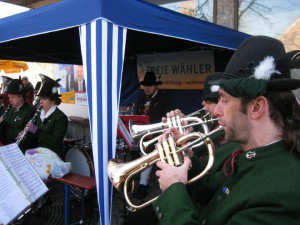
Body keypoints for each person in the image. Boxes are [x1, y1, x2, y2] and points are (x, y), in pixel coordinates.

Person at [153, 35, 300, 224]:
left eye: (224, 99)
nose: (218, 111)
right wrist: (187, 159)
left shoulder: (283, 193)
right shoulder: (252, 154)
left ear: (256, 107)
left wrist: (173, 189)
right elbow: (222, 197)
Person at [131, 71, 173, 199]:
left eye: (150, 85)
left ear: (156, 86)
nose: (147, 88)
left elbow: (167, 122)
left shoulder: (163, 100)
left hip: (157, 136)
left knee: (147, 151)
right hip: (141, 135)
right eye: (145, 85)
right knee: (133, 149)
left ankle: (143, 185)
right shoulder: (140, 101)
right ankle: (133, 179)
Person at [20, 81, 68, 158]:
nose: (41, 101)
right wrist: (26, 137)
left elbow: (56, 142)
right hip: (39, 153)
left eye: (44, 99)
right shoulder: (39, 113)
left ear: (53, 100)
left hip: (52, 155)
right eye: (40, 98)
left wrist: (36, 130)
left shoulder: (61, 117)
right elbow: (35, 137)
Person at [0, 79, 35, 151]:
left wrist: (4, 126)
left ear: (21, 96)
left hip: (19, 149)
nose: (10, 100)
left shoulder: (29, 112)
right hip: (6, 146)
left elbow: (28, 136)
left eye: (13, 97)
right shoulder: (11, 109)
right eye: (9, 97)